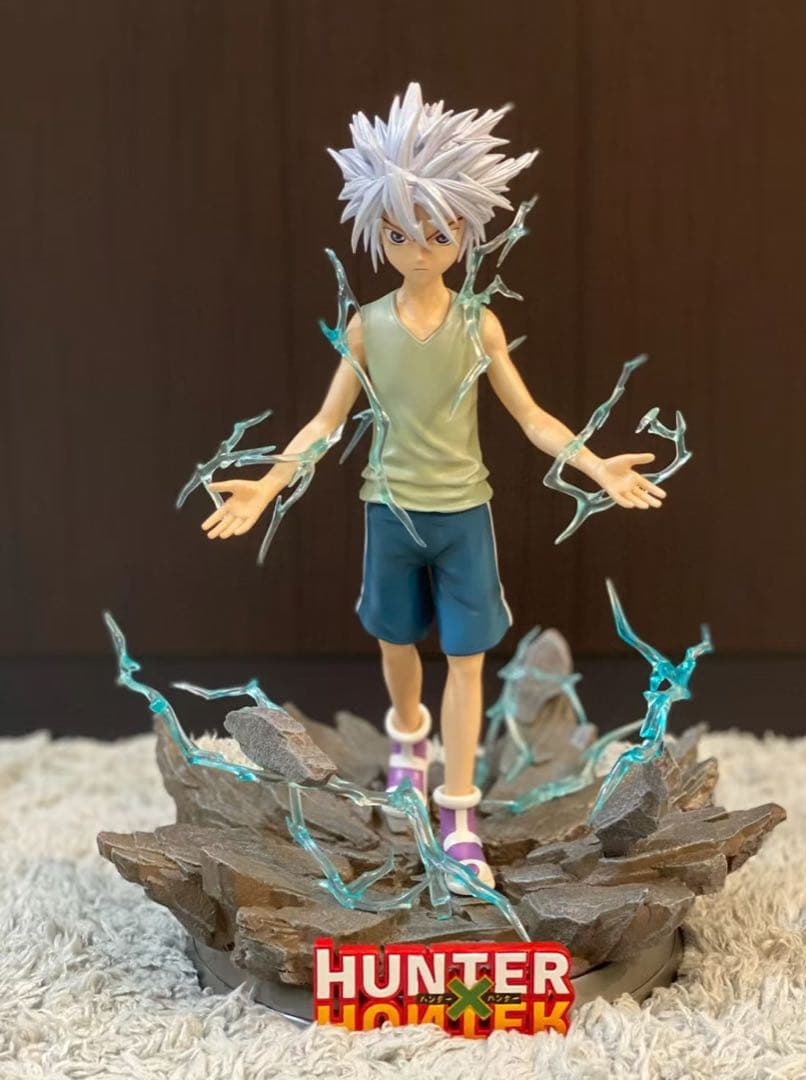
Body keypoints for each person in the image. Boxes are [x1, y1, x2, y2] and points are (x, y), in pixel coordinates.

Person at [197, 83, 666, 895]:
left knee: (468, 660)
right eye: (400, 233)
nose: (419, 249)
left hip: (464, 516)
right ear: (378, 232)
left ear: (465, 234)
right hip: (389, 512)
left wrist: (596, 466)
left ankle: (458, 814)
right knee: (395, 643)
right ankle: (409, 738)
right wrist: (267, 487)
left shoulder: (478, 323)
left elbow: (531, 417)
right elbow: (325, 422)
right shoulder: (367, 325)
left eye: (438, 233)